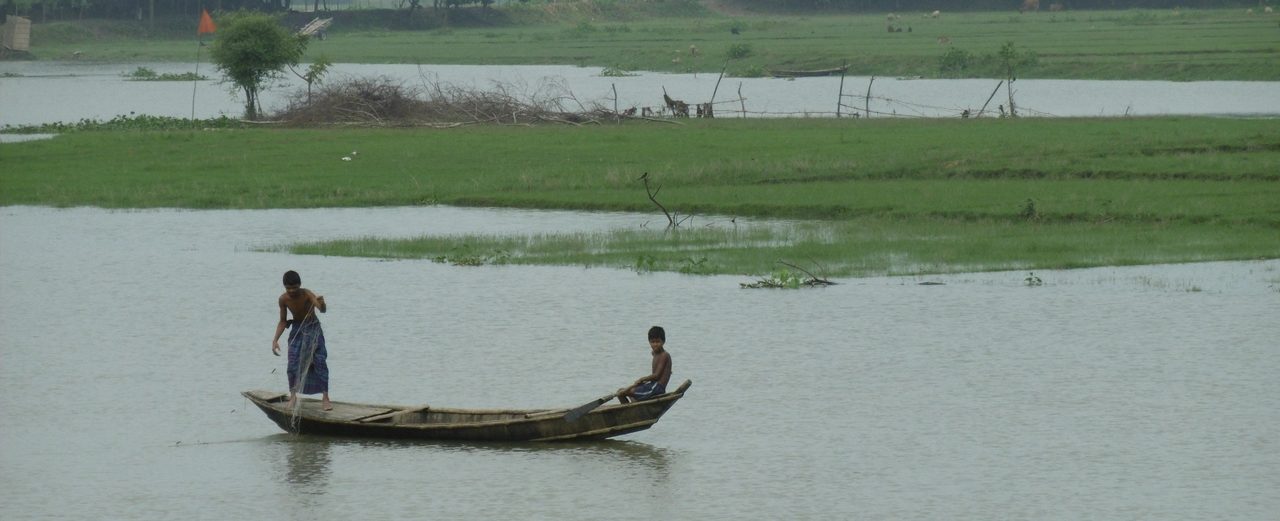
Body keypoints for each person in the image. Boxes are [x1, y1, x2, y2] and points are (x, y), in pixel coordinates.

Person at [271, 270, 332, 411]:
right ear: (284, 287)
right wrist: (275, 340)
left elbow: (321, 310)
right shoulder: (283, 299)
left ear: (300, 285)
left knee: (320, 362)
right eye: (288, 288)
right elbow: (282, 321)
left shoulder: (306, 294)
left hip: (313, 329)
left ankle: (326, 398)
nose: (292, 291)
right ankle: (293, 396)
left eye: (295, 287)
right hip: (297, 331)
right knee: (292, 363)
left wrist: (322, 304)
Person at [617, 326, 673, 404]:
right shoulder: (654, 354)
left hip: (657, 388)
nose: (655, 345)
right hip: (652, 385)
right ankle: (632, 409)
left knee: (622, 393)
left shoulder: (664, 355)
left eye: (658, 342)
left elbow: (656, 376)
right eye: (653, 342)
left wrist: (642, 379)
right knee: (620, 391)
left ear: (663, 342)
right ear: (649, 342)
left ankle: (633, 409)